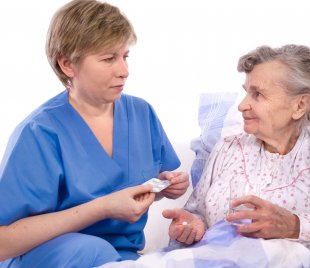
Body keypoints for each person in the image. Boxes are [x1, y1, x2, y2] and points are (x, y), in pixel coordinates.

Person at [0, 0, 189, 267]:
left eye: (125, 56)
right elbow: (3, 242)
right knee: (89, 250)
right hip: (52, 258)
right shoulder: (39, 133)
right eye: (108, 59)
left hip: (122, 257)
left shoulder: (141, 113)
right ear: (68, 65)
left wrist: (162, 186)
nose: (124, 71)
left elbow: (136, 182)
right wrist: (101, 208)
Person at [163, 44, 310, 267]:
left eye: (257, 94)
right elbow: (196, 215)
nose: (242, 105)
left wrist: (295, 227)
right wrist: (190, 227)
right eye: (246, 92)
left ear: (300, 105)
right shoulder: (227, 149)